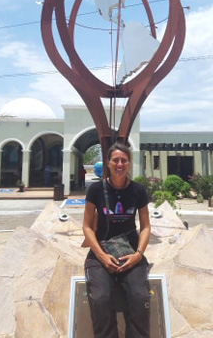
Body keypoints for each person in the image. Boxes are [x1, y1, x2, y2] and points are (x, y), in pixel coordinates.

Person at [82, 142, 151, 338]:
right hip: (101, 252)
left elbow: (145, 227)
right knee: (101, 298)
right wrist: (102, 257)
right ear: (108, 163)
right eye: (115, 160)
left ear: (129, 163)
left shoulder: (138, 191)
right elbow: (87, 226)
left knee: (140, 296)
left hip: (130, 252)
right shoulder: (96, 190)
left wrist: (138, 255)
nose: (119, 164)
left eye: (124, 160)